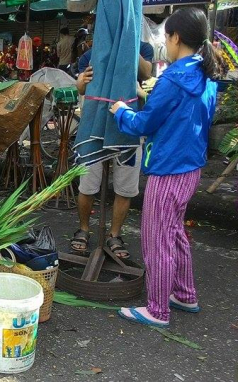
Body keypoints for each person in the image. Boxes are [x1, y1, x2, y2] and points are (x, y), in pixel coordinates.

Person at [111, 8, 219, 328]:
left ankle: (157, 308)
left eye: (166, 37)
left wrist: (120, 111)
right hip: (191, 167)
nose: (165, 43)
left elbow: (144, 123)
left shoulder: (174, 77)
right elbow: (189, 116)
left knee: (157, 239)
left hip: (169, 167)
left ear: (175, 38)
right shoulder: (207, 72)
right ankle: (185, 294)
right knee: (174, 233)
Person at [70, 41, 155, 258]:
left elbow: (146, 74)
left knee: (125, 187)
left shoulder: (142, 48)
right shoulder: (90, 55)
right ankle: (84, 229)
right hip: (94, 126)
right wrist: (80, 83)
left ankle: (114, 235)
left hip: (128, 126)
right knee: (87, 185)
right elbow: (82, 88)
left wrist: (129, 41)